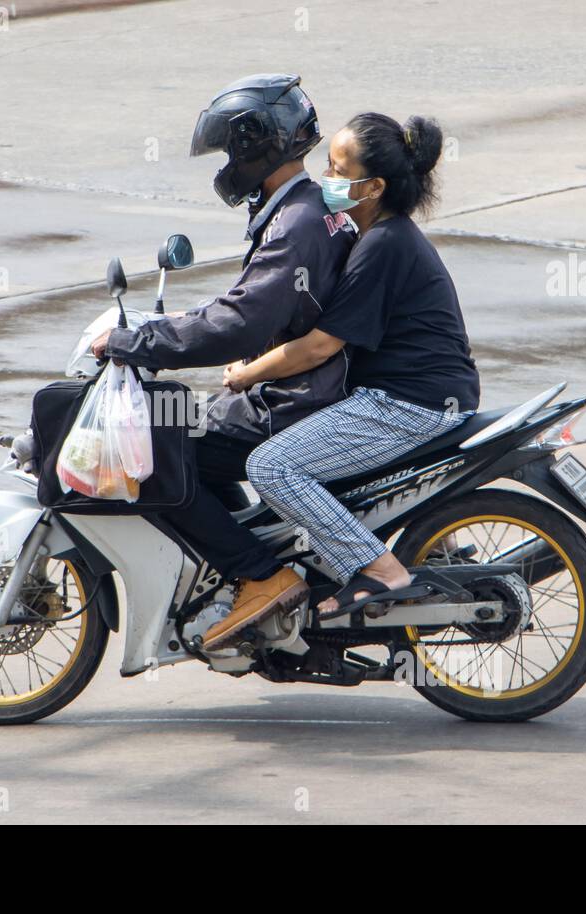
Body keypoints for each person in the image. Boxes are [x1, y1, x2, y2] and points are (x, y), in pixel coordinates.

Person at [91, 74, 358, 649]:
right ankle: (243, 565)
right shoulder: (310, 207)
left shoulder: (296, 223)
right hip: (307, 388)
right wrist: (167, 325)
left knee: (160, 448)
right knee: (194, 445)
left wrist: (140, 343)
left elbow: (242, 321)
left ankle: (260, 577)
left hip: (296, 401)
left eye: (226, 150)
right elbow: (252, 305)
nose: (222, 165)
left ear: (254, 145)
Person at [227, 112, 481, 616]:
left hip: (409, 405)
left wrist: (246, 374)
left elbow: (320, 347)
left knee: (272, 467)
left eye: (340, 173)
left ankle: (378, 569)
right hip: (429, 395)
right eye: (328, 165)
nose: (328, 180)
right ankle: (428, 548)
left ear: (375, 186)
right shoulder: (382, 235)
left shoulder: (382, 245)